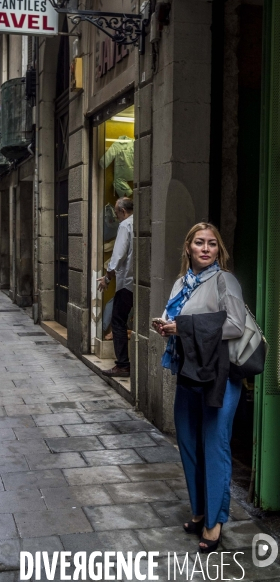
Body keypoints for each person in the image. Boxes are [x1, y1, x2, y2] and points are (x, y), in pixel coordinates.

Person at [152, 222, 246, 553]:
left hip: (221, 376)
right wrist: (167, 327)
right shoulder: (182, 283)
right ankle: (200, 510)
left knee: (214, 445)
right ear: (188, 248)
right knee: (190, 444)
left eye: (212, 244)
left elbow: (235, 326)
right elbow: (177, 321)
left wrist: (187, 328)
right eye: (199, 243)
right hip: (190, 373)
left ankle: (215, 522)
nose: (205, 249)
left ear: (219, 250)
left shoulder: (224, 280)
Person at [98, 197, 133, 376]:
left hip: (126, 282)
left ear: (122, 211)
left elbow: (118, 255)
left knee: (118, 321)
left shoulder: (125, 225)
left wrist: (107, 278)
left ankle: (123, 364)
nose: (117, 217)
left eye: (117, 213)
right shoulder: (138, 222)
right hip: (135, 283)